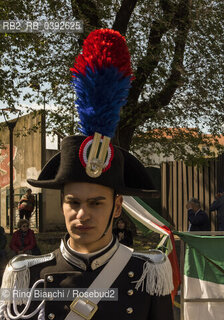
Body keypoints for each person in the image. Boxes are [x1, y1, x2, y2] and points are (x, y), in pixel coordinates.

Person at [0, 29, 174, 320]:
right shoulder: (25, 275)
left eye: (96, 203)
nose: (82, 215)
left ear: (117, 207)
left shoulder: (147, 274)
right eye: (73, 202)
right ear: (62, 204)